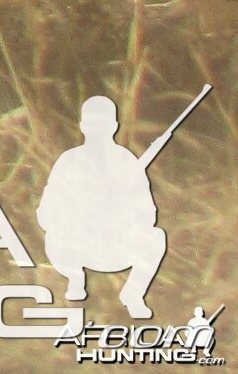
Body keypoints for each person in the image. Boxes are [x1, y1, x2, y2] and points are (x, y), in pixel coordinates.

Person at [39, 94, 170, 319]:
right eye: (92, 123)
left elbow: (148, 214)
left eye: (102, 123)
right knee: (53, 238)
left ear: (114, 126)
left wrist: (120, 214)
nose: (96, 130)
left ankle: (133, 295)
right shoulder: (69, 161)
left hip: (116, 246)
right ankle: (75, 284)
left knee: (156, 238)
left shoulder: (127, 162)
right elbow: (46, 213)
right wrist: (74, 219)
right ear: (82, 126)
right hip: (77, 247)